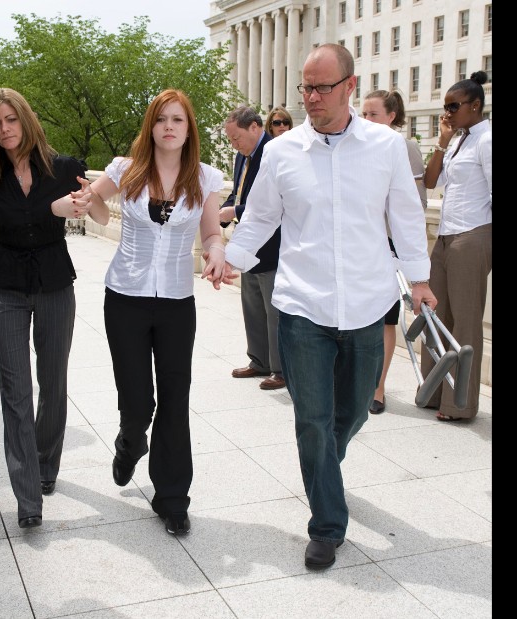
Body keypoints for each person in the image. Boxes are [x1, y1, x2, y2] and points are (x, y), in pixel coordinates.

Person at [205, 44, 436, 569]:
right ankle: (327, 525)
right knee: (312, 418)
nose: (310, 98)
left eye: (321, 87)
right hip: (301, 303)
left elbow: (404, 216)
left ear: (350, 86)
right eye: (305, 88)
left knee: (351, 414)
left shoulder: (386, 147)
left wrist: (418, 279)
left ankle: (323, 468)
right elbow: (260, 217)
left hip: (367, 302)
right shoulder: (283, 152)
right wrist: (229, 256)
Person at [83, 88, 227, 537]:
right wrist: (86, 201)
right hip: (124, 296)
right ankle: (130, 438)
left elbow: (212, 231)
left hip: (176, 303)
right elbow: (94, 202)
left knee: (175, 397)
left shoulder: (204, 178)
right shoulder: (127, 170)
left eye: (178, 120)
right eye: (162, 119)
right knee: (137, 397)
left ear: (189, 129)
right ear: (151, 125)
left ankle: (172, 498)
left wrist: (217, 252)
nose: (169, 126)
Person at [0, 87, 108, 530]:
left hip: (54, 288)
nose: (4, 130)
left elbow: (99, 214)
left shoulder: (63, 168)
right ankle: (28, 498)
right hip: (5, 292)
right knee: (15, 391)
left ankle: (46, 466)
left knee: (53, 382)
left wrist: (89, 199)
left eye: (10, 119)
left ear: (25, 119)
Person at [421, 71, 491, 422]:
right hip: (446, 237)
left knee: (464, 323)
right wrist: (442, 142)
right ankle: (433, 393)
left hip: (473, 235)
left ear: (475, 106)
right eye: (444, 106)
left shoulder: (487, 139)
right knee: (435, 316)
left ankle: (459, 405)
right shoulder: (459, 139)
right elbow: (432, 182)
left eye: (453, 105)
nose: (446, 112)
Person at [360, 89, 429, 415]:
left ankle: (378, 387)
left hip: (390, 251)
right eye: (363, 114)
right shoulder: (356, 146)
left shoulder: (405, 147)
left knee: (386, 322)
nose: (366, 120)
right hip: (361, 246)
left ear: (392, 116)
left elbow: (414, 205)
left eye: (373, 114)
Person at [218, 105, 284, 391]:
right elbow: (238, 191)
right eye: (231, 140)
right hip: (247, 243)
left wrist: (235, 211)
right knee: (252, 304)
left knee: (274, 311)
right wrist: (225, 210)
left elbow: (272, 203)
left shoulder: (275, 153)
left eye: (237, 138)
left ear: (255, 127)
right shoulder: (241, 156)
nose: (234, 144)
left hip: (272, 243)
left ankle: (282, 369)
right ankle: (259, 360)